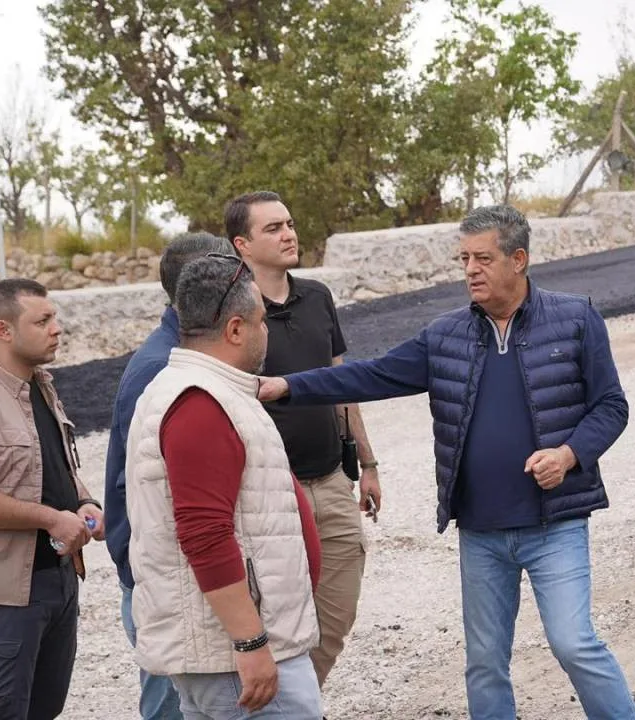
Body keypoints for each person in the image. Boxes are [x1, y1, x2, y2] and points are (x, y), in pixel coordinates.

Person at [258, 204, 635, 719]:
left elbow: (612, 406)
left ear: (518, 259)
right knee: (484, 662)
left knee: (575, 644)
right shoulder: (444, 336)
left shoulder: (576, 318)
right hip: (480, 532)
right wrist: (288, 387)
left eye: (483, 258)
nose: (470, 270)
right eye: (464, 258)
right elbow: (368, 376)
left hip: (556, 524)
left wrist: (570, 454)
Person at [125, 255, 323, 718]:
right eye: (261, 320)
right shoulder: (200, 401)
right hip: (234, 657)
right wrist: (250, 641)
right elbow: (204, 532)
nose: (266, 331)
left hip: (235, 650)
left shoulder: (210, 391)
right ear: (235, 329)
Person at [224, 190, 380, 688]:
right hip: (268, 495)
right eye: (273, 228)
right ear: (242, 244)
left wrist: (369, 465)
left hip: (332, 480)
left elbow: (343, 384)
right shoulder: (232, 313)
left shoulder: (318, 297)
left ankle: (296, 702)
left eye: (289, 224)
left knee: (336, 613)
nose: (289, 234)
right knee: (278, 616)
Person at [103, 231, 234, 719]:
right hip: (165, 588)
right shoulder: (160, 369)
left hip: (175, 582)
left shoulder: (188, 356)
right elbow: (145, 494)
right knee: (171, 711)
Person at [0, 278, 105, 720]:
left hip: (59, 579)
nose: (57, 328)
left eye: (55, 317)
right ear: (2, 330)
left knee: (45, 709)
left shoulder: (43, 385)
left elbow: (57, 467)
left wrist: (85, 503)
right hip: (8, 596)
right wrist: (48, 519)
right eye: (42, 321)